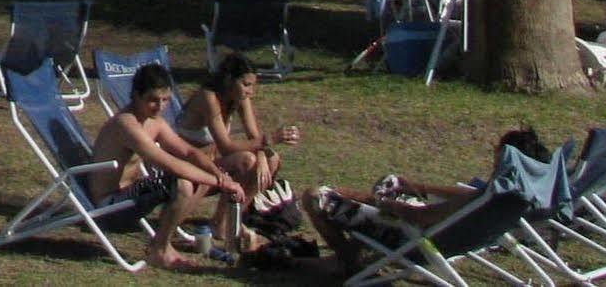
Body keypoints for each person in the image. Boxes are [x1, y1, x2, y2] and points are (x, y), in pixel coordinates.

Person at [303, 129, 548, 271]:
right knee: (389, 182)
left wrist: (387, 205)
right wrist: (419, 187)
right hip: (441, 234)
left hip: (411, 237)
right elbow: (469, 197)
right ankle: (350, 223)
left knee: (314, 197)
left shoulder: (493, 195)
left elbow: (420, 216)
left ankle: (348, 261)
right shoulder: (512, 194)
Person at [87, 61, 247, 270]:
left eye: (165, 100)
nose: (160, 106)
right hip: (110, 206)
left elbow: (189, 152)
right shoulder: (126, 124)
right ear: (136, 95)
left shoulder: (155, 122)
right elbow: (171, 164)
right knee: (181, 183)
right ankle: (160, 250)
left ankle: (162, 246)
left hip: (129, 196)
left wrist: (220, 175)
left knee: (186, 180)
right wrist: (222, 183)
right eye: (153, 100)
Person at [173, 53, 301, 249]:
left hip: (212, 165)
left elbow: (253, 136)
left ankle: (229, 220)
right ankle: (222, 223)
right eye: (246, 84)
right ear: (229, 81)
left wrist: (263, 156)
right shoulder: (209, 97)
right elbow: (226, 147)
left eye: (253, 85)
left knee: (271, 158)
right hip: (187, 167)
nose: (251, 91)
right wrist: (270, 140)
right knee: (247, 161)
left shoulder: (239, 97)